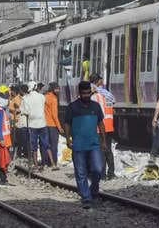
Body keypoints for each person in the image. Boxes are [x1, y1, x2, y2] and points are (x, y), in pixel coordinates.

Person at [64, 80, 107, 209]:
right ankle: (86, 197)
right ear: (79, 93)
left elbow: (101, 124)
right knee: (81, 172)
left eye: (88, 93)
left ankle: (93, 190)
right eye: (84, 93)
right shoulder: (72, 107)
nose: (86, 96)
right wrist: (68, 139)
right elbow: (67, 123)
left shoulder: (96, 106)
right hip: (78, 145)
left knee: (98, 169)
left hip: (94, 144)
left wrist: (104, 141)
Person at [22, 81, 52, 169]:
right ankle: (52, 163)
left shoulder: (25, 98)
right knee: (46, 144)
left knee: (34, 146)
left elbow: (25, 111)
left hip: (32, 124)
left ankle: (35, 165)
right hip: (42, 123)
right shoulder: (42, 96)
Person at [91, 75, 116, 179]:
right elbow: (112, 103)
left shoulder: (94, 97)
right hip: (109, 126)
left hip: (99, 127)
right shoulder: (106, 95)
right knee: (108, 150)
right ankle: (111, 173)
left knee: (100, 151)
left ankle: (102, 174)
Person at [44, 82, 64, 169]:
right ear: (53, 89)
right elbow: (54, 115)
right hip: (52, 125)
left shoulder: (45, 97)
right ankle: (54, 162)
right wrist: (59, 127)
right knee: (54, 145)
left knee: (46, 144)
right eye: (57, 89)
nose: (58, 90)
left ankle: (47, 162)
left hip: (45, 124)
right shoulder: (54, 99)